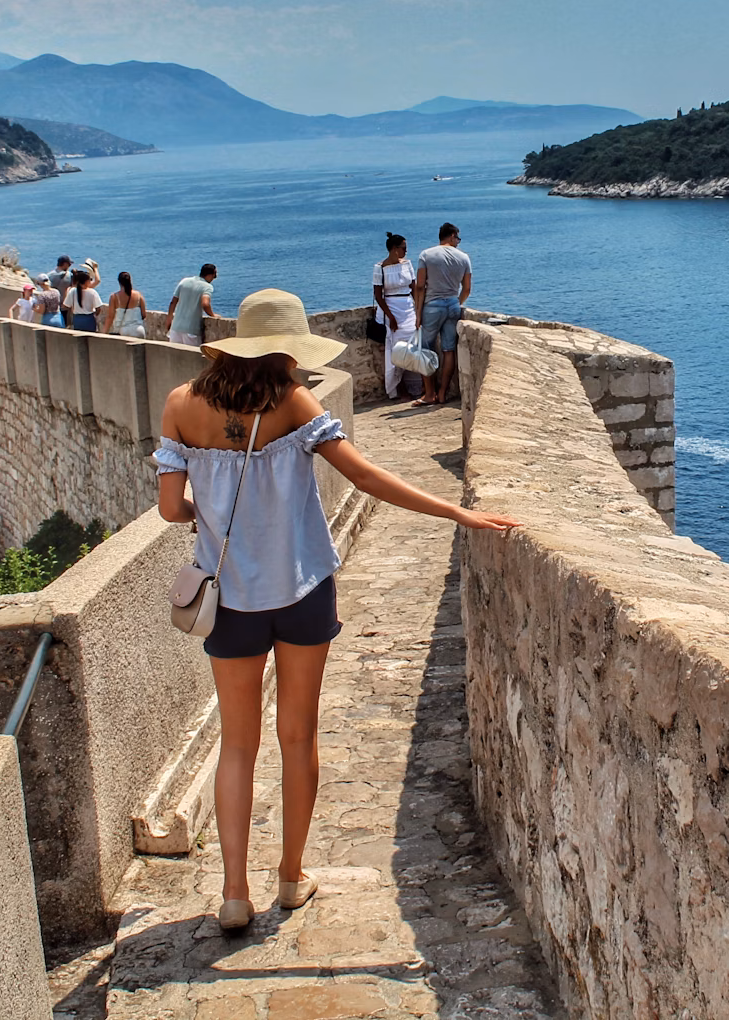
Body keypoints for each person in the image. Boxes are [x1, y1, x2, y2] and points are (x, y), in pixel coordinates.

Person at [154, 289, 518, 933]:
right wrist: (457, 511)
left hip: (228, 597)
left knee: (237, 744)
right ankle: (291, 879)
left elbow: (170, 509)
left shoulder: (183, 405)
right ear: (290, 351)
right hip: (300, 590)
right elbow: (366, 477)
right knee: (298, 736)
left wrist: (206, 517)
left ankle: (234, 894)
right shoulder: (294, 403)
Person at [412, 222, 471, 405]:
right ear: (452, 235)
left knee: (425, 350)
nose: (458, 242)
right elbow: (467, 288)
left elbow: (420, 286)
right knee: (448, 350)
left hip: (432, 306)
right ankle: (443, 393)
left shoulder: (426, 255)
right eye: (458, 238)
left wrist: (418, 313)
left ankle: (429, 394)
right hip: (453, 304)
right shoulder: (464, 257)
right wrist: (456, 303)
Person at [371, 232, 420, 401]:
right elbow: (378, 295)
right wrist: (390, 317)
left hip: (407, 309)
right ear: (394, 249)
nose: (406, 251)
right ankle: (398, 387)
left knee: (411, 346)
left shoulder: (407, 265)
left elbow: (414, 288)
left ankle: (415, 385)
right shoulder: (379, 268)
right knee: (395, 349)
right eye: (403, 248)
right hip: (391, 309)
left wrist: (419, 310)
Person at [168, 263, 217, 347]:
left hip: (175, 328)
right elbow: (205, 304)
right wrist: (213, 315)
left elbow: (173, 302)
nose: (215, 278)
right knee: (192, 358)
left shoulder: (184, 281)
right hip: (191, 330)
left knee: (175, 358)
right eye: (214, 275)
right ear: (209, 275)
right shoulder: (207, 287)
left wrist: (169, 318)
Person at [108, 271, 149, 338]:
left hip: (123, 331)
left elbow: (110, 317)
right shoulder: (139, 295)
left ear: (119, 282)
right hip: (138, 330)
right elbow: (144, 315)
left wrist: (104, 332)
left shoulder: (114, 297)